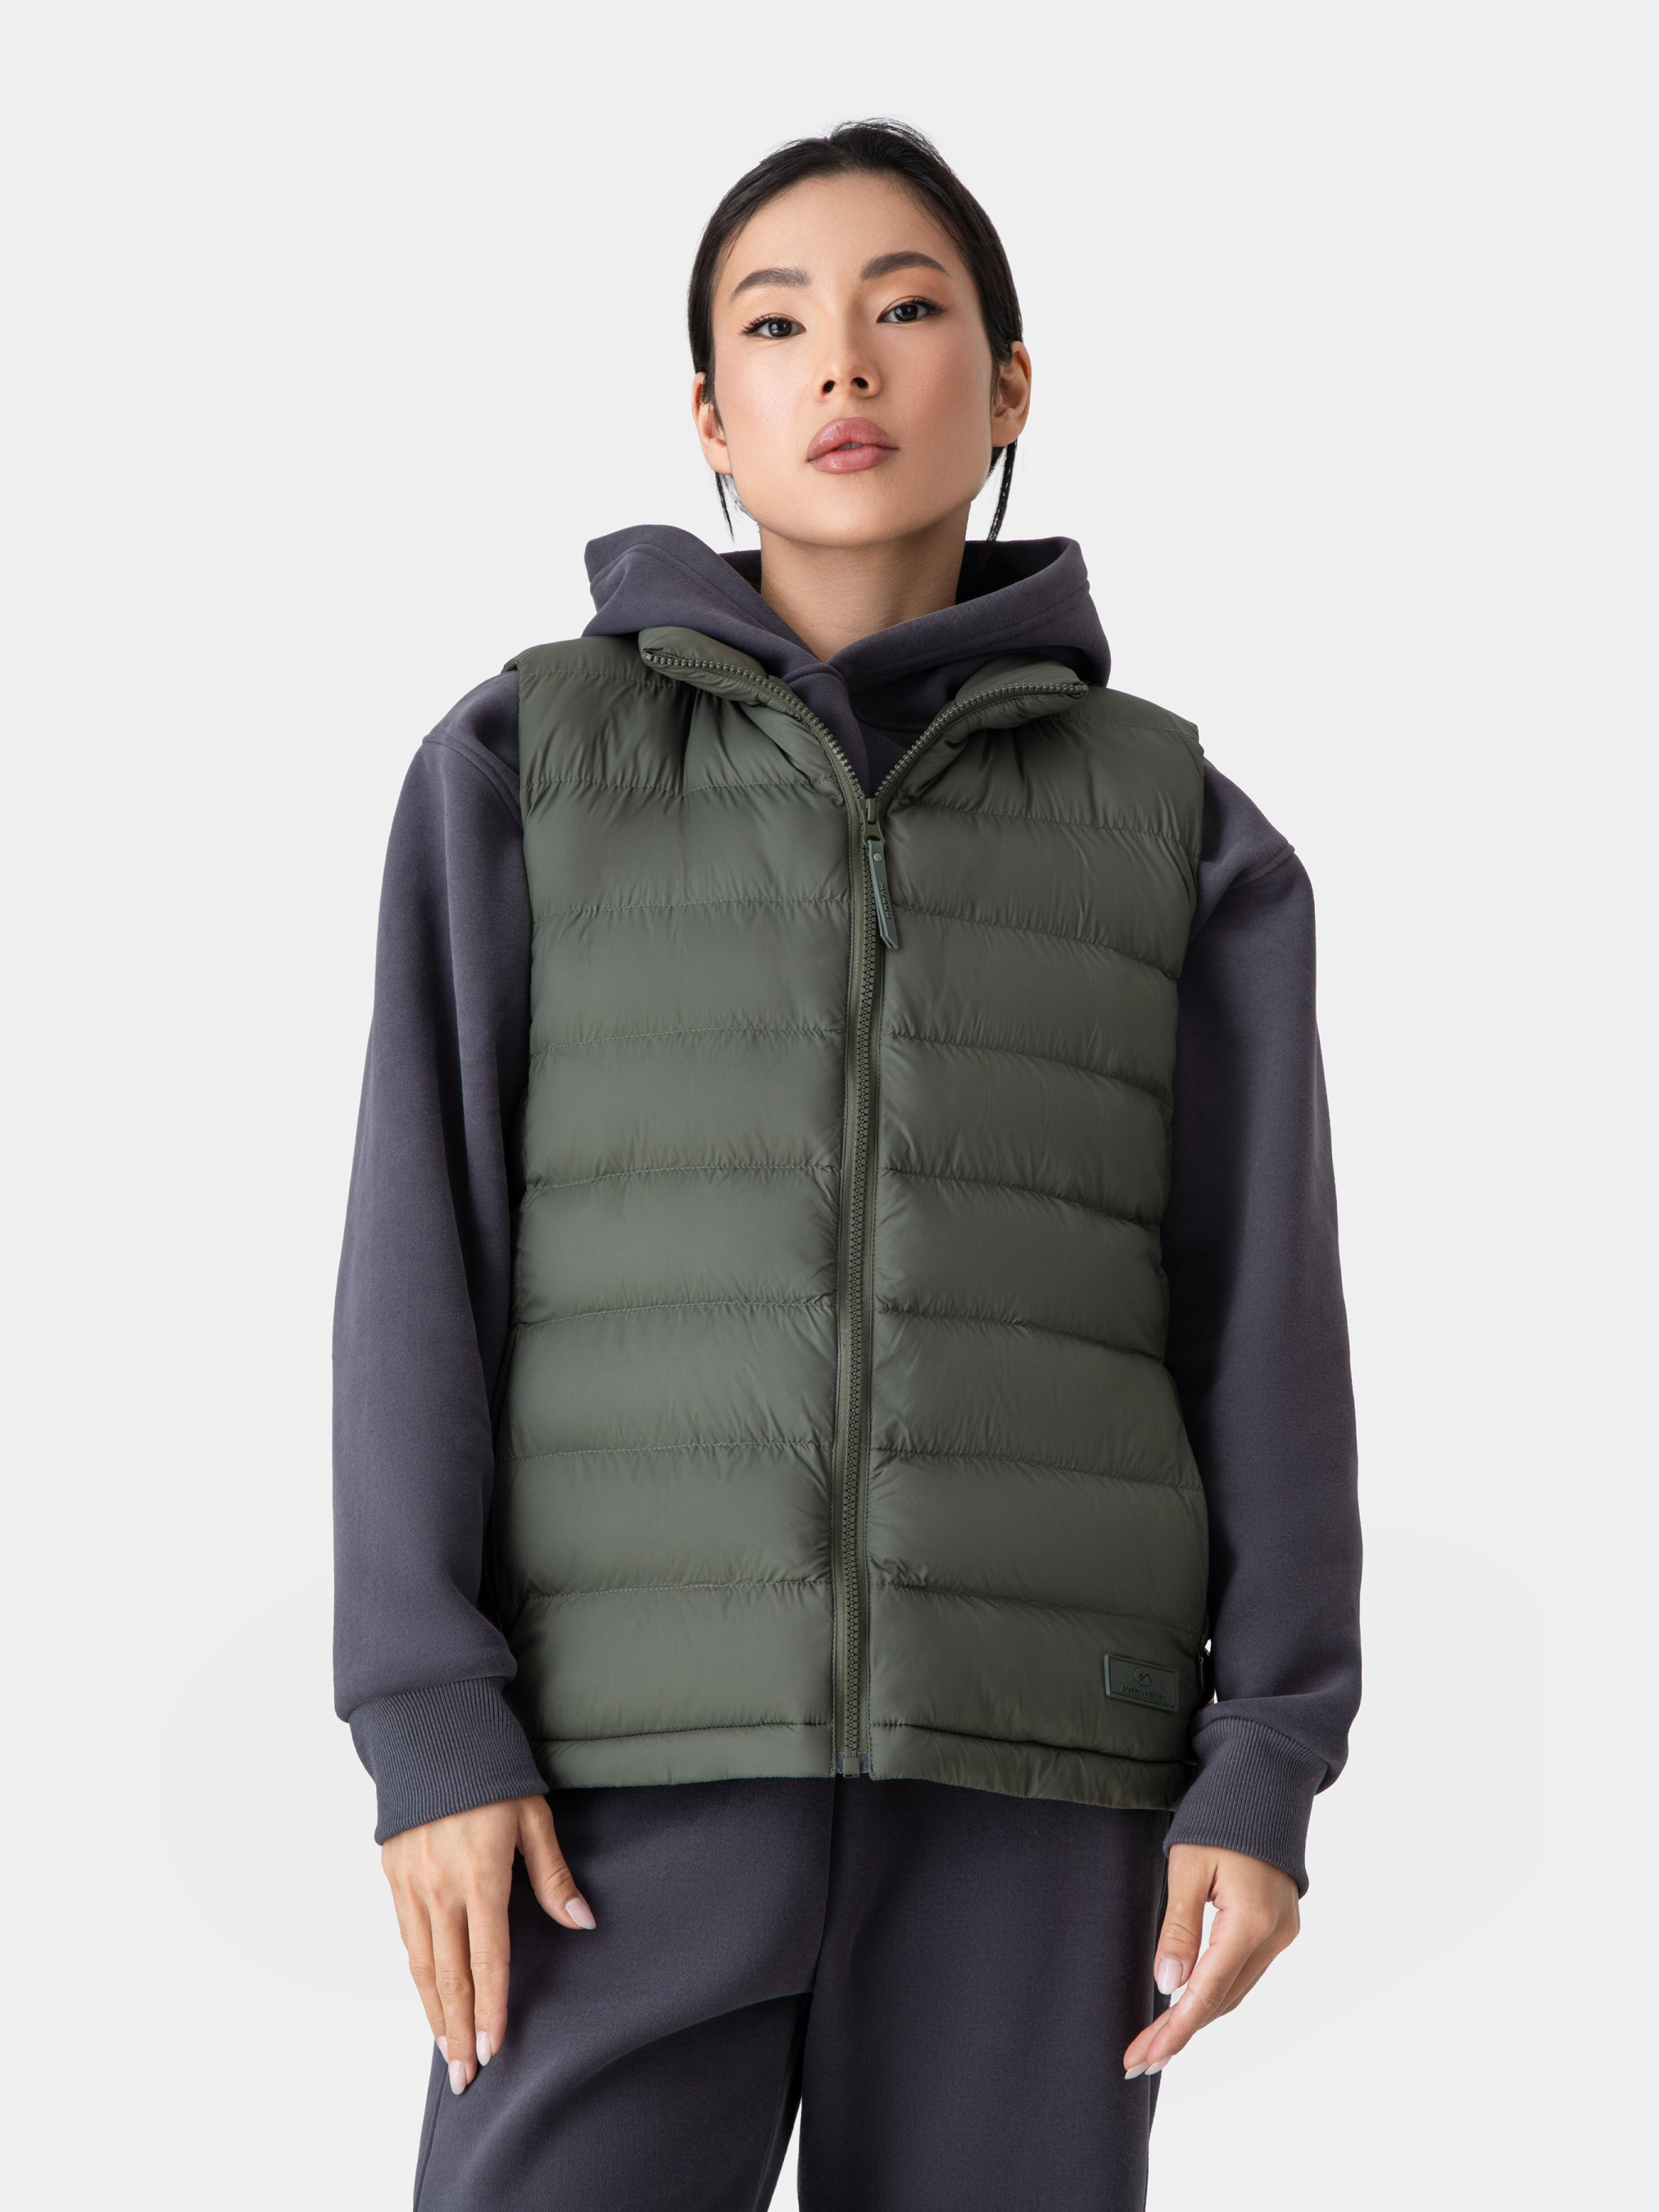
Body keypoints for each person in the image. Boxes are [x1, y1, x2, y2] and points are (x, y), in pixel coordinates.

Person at [333, 119, 1362, 2212]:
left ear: (1008, 383)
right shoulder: (524, 769)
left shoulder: (1178, 829)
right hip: (611, 1785)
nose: (845, 365)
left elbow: (1261, 1320)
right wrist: (428, 1719)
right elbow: (415, 1260)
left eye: (906, 309)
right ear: (709, 418)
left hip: (1037, 1773)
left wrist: (1266, 1756)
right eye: (775, 324)